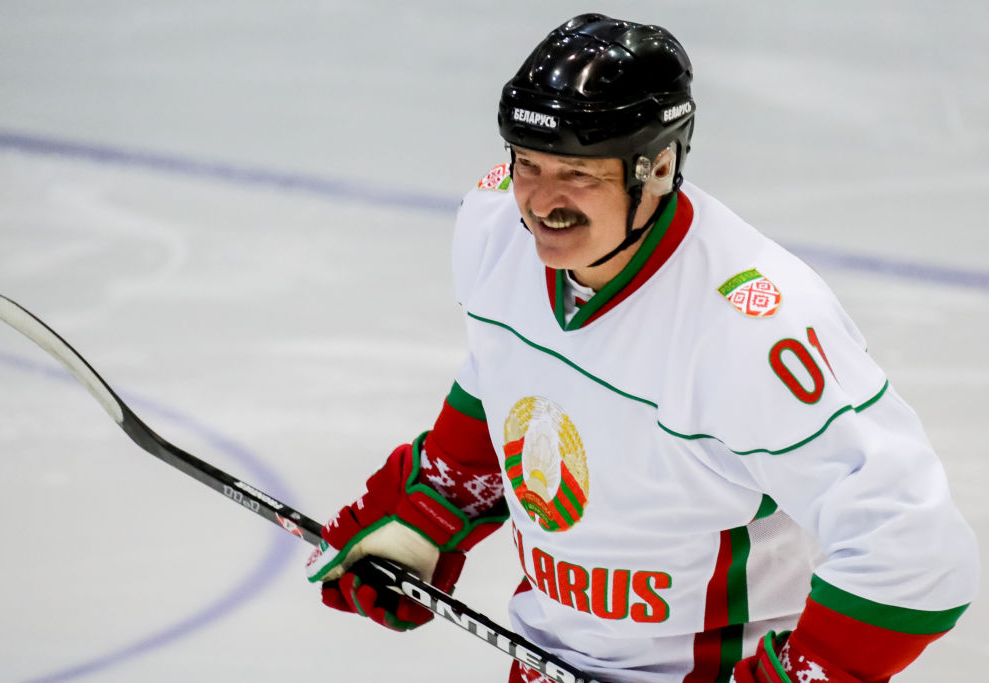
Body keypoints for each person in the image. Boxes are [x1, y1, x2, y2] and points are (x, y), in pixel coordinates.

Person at [306, 14, 979, 683]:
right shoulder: (492, 228)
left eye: (578, 174)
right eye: (529, 164)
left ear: (656, 167)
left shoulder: (751, 327)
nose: (542, 202)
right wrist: (431, 508)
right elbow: (506, 373)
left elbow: (912, 551)